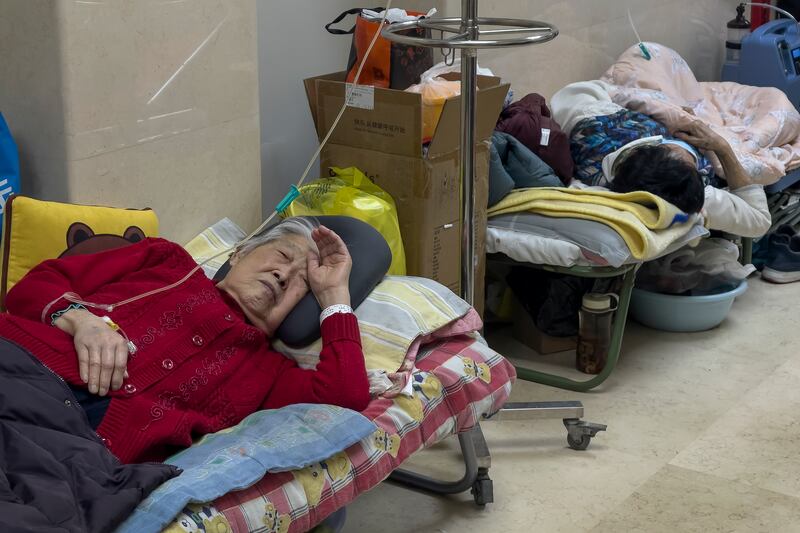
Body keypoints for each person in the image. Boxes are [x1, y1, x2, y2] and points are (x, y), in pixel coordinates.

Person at [0, 217, 370, 464]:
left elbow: (345, 397)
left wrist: (333, 295)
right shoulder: (167, 261)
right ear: (240, 252)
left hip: (79, 448)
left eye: (302, 283)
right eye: (283, 255)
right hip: (23, 367)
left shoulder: (268, 373)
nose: (283, 275)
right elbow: (35, 286)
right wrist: (81, 320)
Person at [551, 80, 771, 238]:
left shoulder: (591, 120)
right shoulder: (688, 194)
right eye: (688, 158)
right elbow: (759, 219)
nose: (688, 152)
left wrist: (669, 110)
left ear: (646, 148)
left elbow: (591, 88)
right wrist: (722, 148)